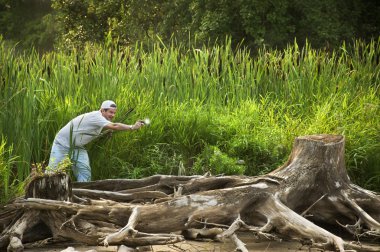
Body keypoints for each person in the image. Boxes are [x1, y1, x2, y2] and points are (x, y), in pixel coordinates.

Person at [47, 100, 144, 182]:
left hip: (77, 147)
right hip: (62, 144)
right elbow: (114, 126)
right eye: (110, 112)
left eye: (114, 113)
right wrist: (132, 127)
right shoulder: (96, 117)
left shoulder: (101, 120)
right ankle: (42, 195)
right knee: (52, 173)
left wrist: (104, 134)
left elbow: (90, 130)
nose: (113, 115)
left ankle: (81, 195)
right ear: (102, 110)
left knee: (85, 173)